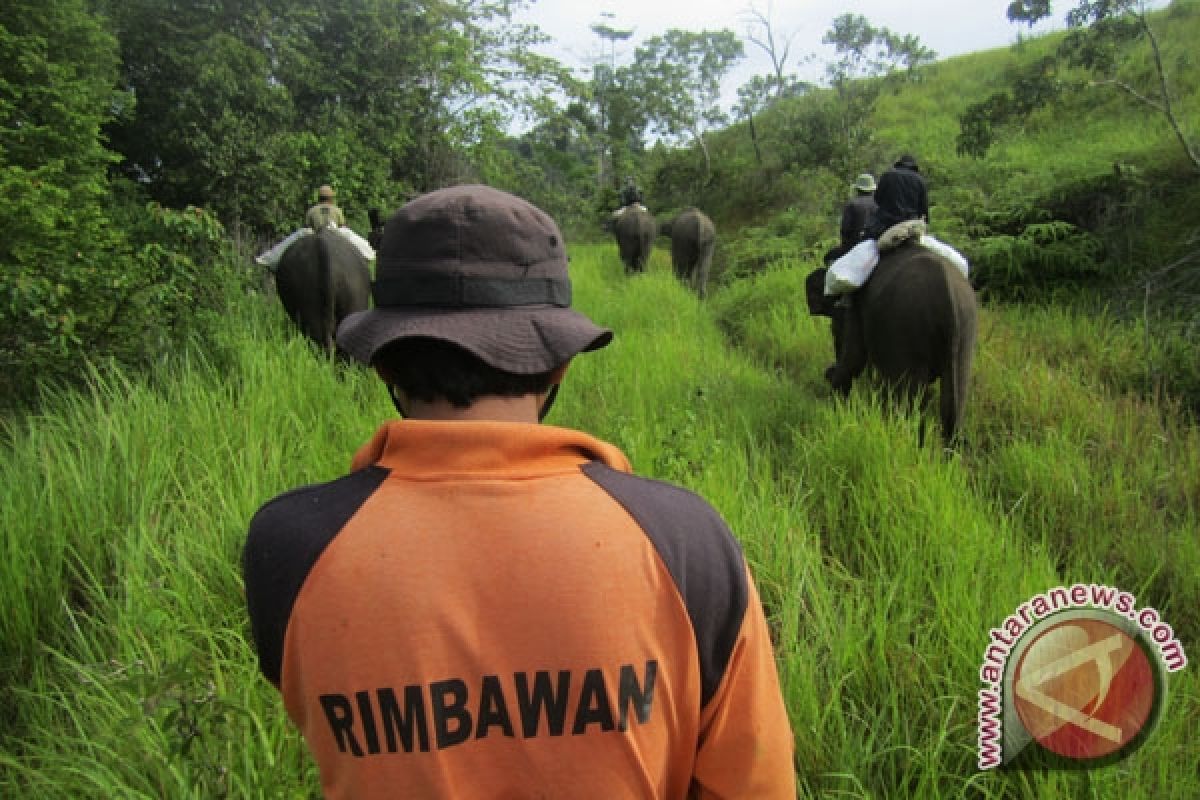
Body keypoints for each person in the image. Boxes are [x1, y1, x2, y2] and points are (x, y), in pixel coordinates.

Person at [241, 184, 796, 799]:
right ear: (560, 362)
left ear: (381, 361)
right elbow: (754, 783)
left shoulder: (287, 549)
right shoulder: (688, 541)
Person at [256, 184, 375, 269]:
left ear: (319, 198)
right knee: (349, 234)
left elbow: (308, 225)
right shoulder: (337, 210)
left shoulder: (312, 210)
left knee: (294, 238)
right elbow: (342, 225)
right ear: (331, 198)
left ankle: (270, 258)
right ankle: (369, 253)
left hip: (315, 233)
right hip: (334, 232)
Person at [824, 172, 878, 265]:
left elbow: (845, 229)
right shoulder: (878, 204)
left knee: (828, 257)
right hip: (874, 246)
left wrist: (845, 244)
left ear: (857, 189)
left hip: (854, 245)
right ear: (872, 189)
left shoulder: (852, 204)